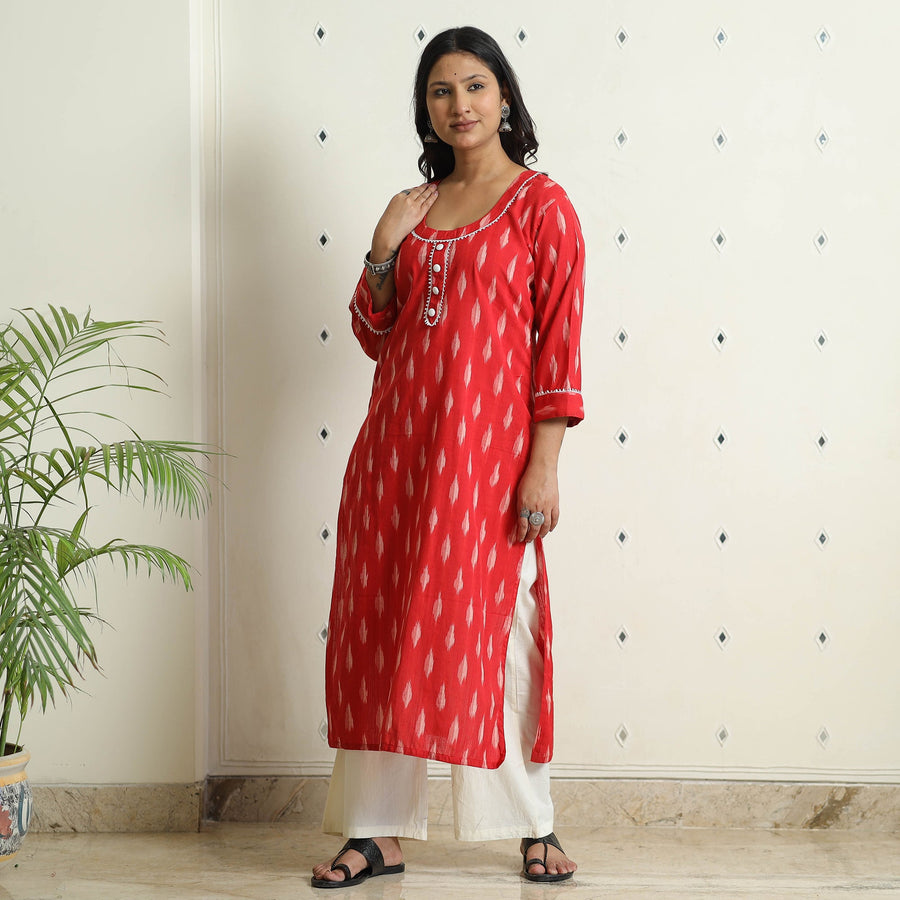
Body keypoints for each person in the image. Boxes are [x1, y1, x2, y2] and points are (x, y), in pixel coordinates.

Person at [312, 25, 585, 888]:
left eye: (474, 86)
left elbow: (558, 349)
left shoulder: (541, 206)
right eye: (441, 91)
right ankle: (375, 832)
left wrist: (543, 465)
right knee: (382, 628)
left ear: (504, 98)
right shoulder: (416, 207)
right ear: (425, 109)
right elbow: (374, 332)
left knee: (501, 630)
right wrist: (382, 249)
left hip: (485, 462)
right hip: (394, 453)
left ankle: (532, 824)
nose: (459, 104)